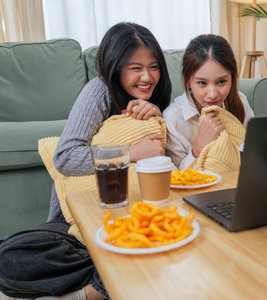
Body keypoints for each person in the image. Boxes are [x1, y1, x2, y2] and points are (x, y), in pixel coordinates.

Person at [0, 22, 171, 300]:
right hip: (76, 221)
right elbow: (65, 157)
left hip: (136, 216)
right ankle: (115, 277)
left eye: (154, 66)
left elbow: (166, 161)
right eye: (135, 67)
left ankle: (90, 292)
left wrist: (157, 115)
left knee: (164, 241)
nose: (147, 77)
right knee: (9, 260)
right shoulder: (99, 90)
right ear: (115, 67)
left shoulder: (157, 101)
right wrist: (131, 152)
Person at [163, 34, 254, 170]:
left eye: (221, 82)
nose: (212, 94)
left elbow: (254, 153)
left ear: (232, 77)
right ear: (188, 81)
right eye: (202, 83)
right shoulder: (173, 120)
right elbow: (177, 178)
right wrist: (199, 147)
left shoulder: (240, 101)